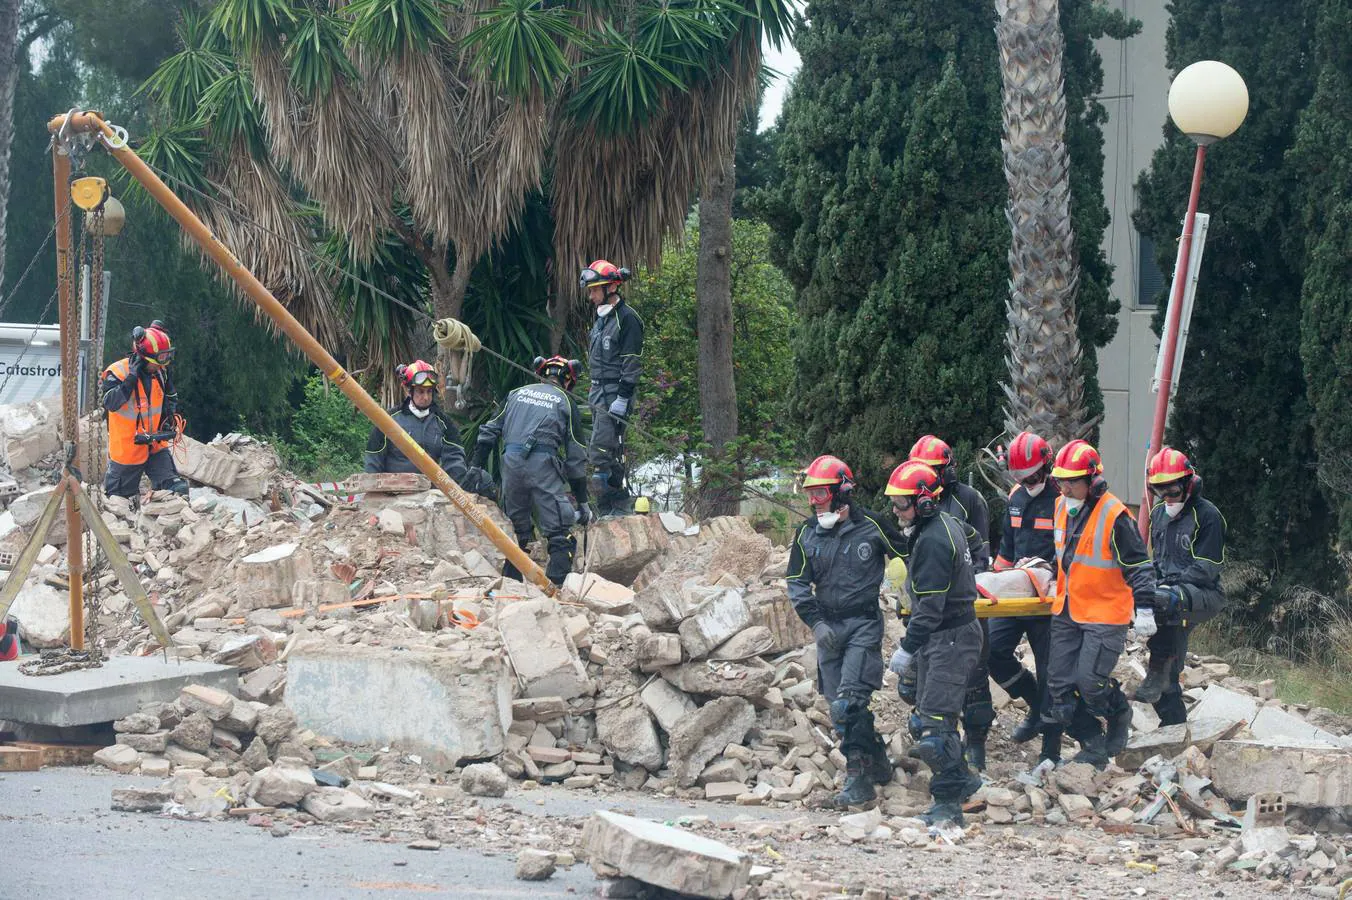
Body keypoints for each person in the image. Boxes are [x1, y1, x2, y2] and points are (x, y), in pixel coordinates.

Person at [786, 454, 903, 809]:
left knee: (849, 703)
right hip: (828, 627)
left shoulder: (874, 526)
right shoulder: (806, 533)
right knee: (841, 709)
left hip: (864, 625)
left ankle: (859, 778)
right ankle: (879, 759)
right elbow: (796, 582)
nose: (814, 501)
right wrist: (816, 623)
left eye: (821, 492)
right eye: (810, 493)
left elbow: (911, 554)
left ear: (842, 492)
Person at [1043, 439, 1156, 769]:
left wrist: (1145, 607)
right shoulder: (1062, 505)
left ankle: (1118, 712)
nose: (1063, 488)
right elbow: (1066, 554)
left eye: (1071, 481)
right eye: (1060, 481)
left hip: (1105, 612)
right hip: (1067, 607)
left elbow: (1138, 565)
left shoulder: (1115, 515)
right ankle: (1092, 743)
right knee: (1059, 691)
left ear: (1092, 481)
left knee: (1090, 683)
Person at [885, 460, 983, 826]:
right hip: (948, 635)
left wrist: (908, 647)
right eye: (894, 503)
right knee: (924, 719)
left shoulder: (933, 540)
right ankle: (962, 776)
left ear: (925, 502)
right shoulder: (947, 524)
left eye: (902, 504)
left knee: (936, 729)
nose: (896, 511)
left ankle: (948, 805)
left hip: (950, 636)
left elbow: (929, 608)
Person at [908, 434, 993, 769]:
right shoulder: (914, 503)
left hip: (962, 606)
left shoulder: (968, 500)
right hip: (928, 611)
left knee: (974, 678)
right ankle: (939, 739)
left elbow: (981, 551)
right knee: (920, 679)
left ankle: (976, 745)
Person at [471, 356, 590, 585]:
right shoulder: (565, 400)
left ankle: (510, 588)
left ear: (541, 373)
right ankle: (556, 590)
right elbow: (575, 458)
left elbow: (488, 432)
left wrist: (475, 466)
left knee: (517, 531)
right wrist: (582, 502)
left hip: (511, 462)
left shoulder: (517, 393)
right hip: (542, 464)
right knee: (558, 531)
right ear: (569, 380)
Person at [1134, 447, 1227, 725]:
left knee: (1163, 602)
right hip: (1170, 593)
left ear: (1190, 484)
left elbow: (1206, 569)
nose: (1167, 498)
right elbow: (1158, 560)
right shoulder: (1159, 513)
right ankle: (1173, 722)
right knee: (1169, 656)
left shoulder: (1207, 515)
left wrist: (1163, 589)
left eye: (1172, 490)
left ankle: (1156, 668)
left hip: (1204, 593)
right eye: (1160, 491)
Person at [989, 431, 1062, 764]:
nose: (1027, 481)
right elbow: (1007, 547)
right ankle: (1034, 703)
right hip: (1016, 593)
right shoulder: (1017, 496)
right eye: (1021, 476)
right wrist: (996, 582)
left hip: (1049, 601)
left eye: (1032, 475)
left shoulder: (1063, 498)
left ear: (1046, 466)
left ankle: (1051, 749)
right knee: (992, 651)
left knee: (1051, 672)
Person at [363, 360, 493, 496]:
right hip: (392, 496)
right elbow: (373, 461)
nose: (425, 397)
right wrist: (374, 495)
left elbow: (454, 459)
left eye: (429, 392)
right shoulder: (388, 420)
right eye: (420, 391)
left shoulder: (444, 422)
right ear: (408, 390)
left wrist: (459, 487)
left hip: (430, 496)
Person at [101, 321, 188, 500]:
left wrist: (169, 416)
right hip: (127, 451)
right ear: (143, 357)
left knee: (175, 489)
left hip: (155, 445)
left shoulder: (161, 372)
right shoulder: (118, 372)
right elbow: (110, 403)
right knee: (119, 503)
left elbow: (170, 397)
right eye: (157, 361)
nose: (161, 365)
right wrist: (130, 381)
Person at [581, 260, 641, 516]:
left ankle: (609, 507)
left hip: (616, 393)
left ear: (612, 287)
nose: (592, 296)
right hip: (598, 392)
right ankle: (617, 502)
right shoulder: (601, 320)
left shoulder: (628, 319)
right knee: (610, 449)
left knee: (601, 451)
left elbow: (631, 362)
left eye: (595, 290)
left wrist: (624, 397)